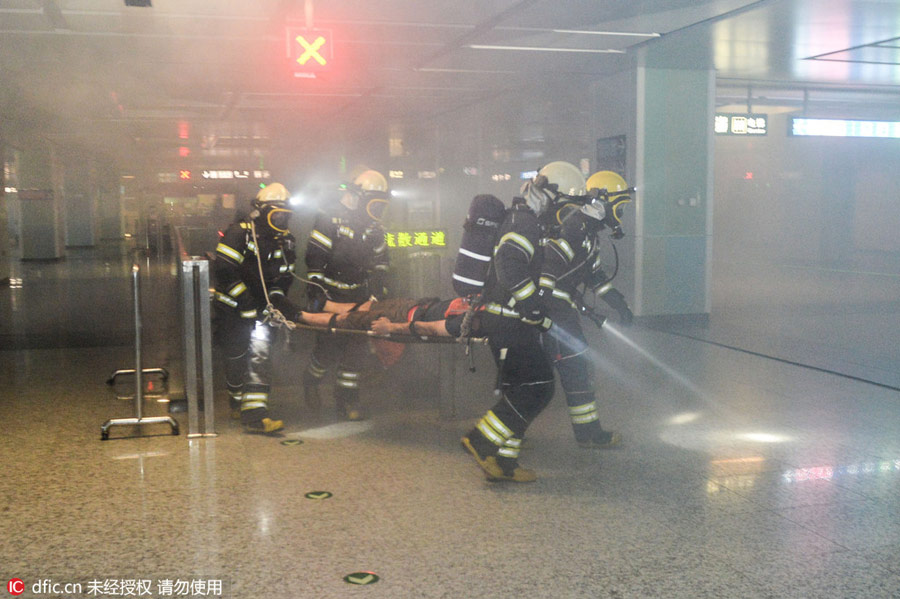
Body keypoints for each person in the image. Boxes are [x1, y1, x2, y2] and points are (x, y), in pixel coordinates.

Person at [459, 174, 559, 483]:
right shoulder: (524, 223)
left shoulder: (521, 220)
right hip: (510, 323)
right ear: (548, 197)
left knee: (519, 391)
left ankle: (505, 463)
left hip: (510, 321)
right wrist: (532, 305)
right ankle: (481, 441)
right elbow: (508, 264)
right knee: (539, 387)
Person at [539, 168, 634, 449]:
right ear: (603, 202)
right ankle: (589, 434)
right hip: (554, 314)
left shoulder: (588, 232)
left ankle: (589, 432)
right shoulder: (574, 228)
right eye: (620, 207)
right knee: (575, 368)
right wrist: (547, 309)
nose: (621, 214)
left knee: (576, 370)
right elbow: (549, 269)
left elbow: (594, 276)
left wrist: (619, 305)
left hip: (560, 311)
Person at [302, 169, 391, 420]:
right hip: (331, 297)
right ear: (357, 197)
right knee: (328, 349)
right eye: (374, 204)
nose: (377, 210)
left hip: (360, 298)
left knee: (356, 350)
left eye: (381, 205)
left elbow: (382, 264)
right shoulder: (329, 220)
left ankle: (347, 401)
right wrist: (319, 297)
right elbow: (315, 260)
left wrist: (375, 295)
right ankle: (311, 381)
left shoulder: (375, 228)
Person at [213, 183, 299, 434]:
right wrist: (245, 299)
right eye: (276, 215)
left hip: (262, 310)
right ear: (261, 213)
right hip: (232, 309)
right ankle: (236, 399)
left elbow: (285, 276)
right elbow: (224, 269)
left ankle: (256, 414)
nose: (281, 221)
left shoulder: (286, 241)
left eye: (285, 216)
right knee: (236, 358)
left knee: (260, 357)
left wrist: (277, 298)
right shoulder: (239, 233)